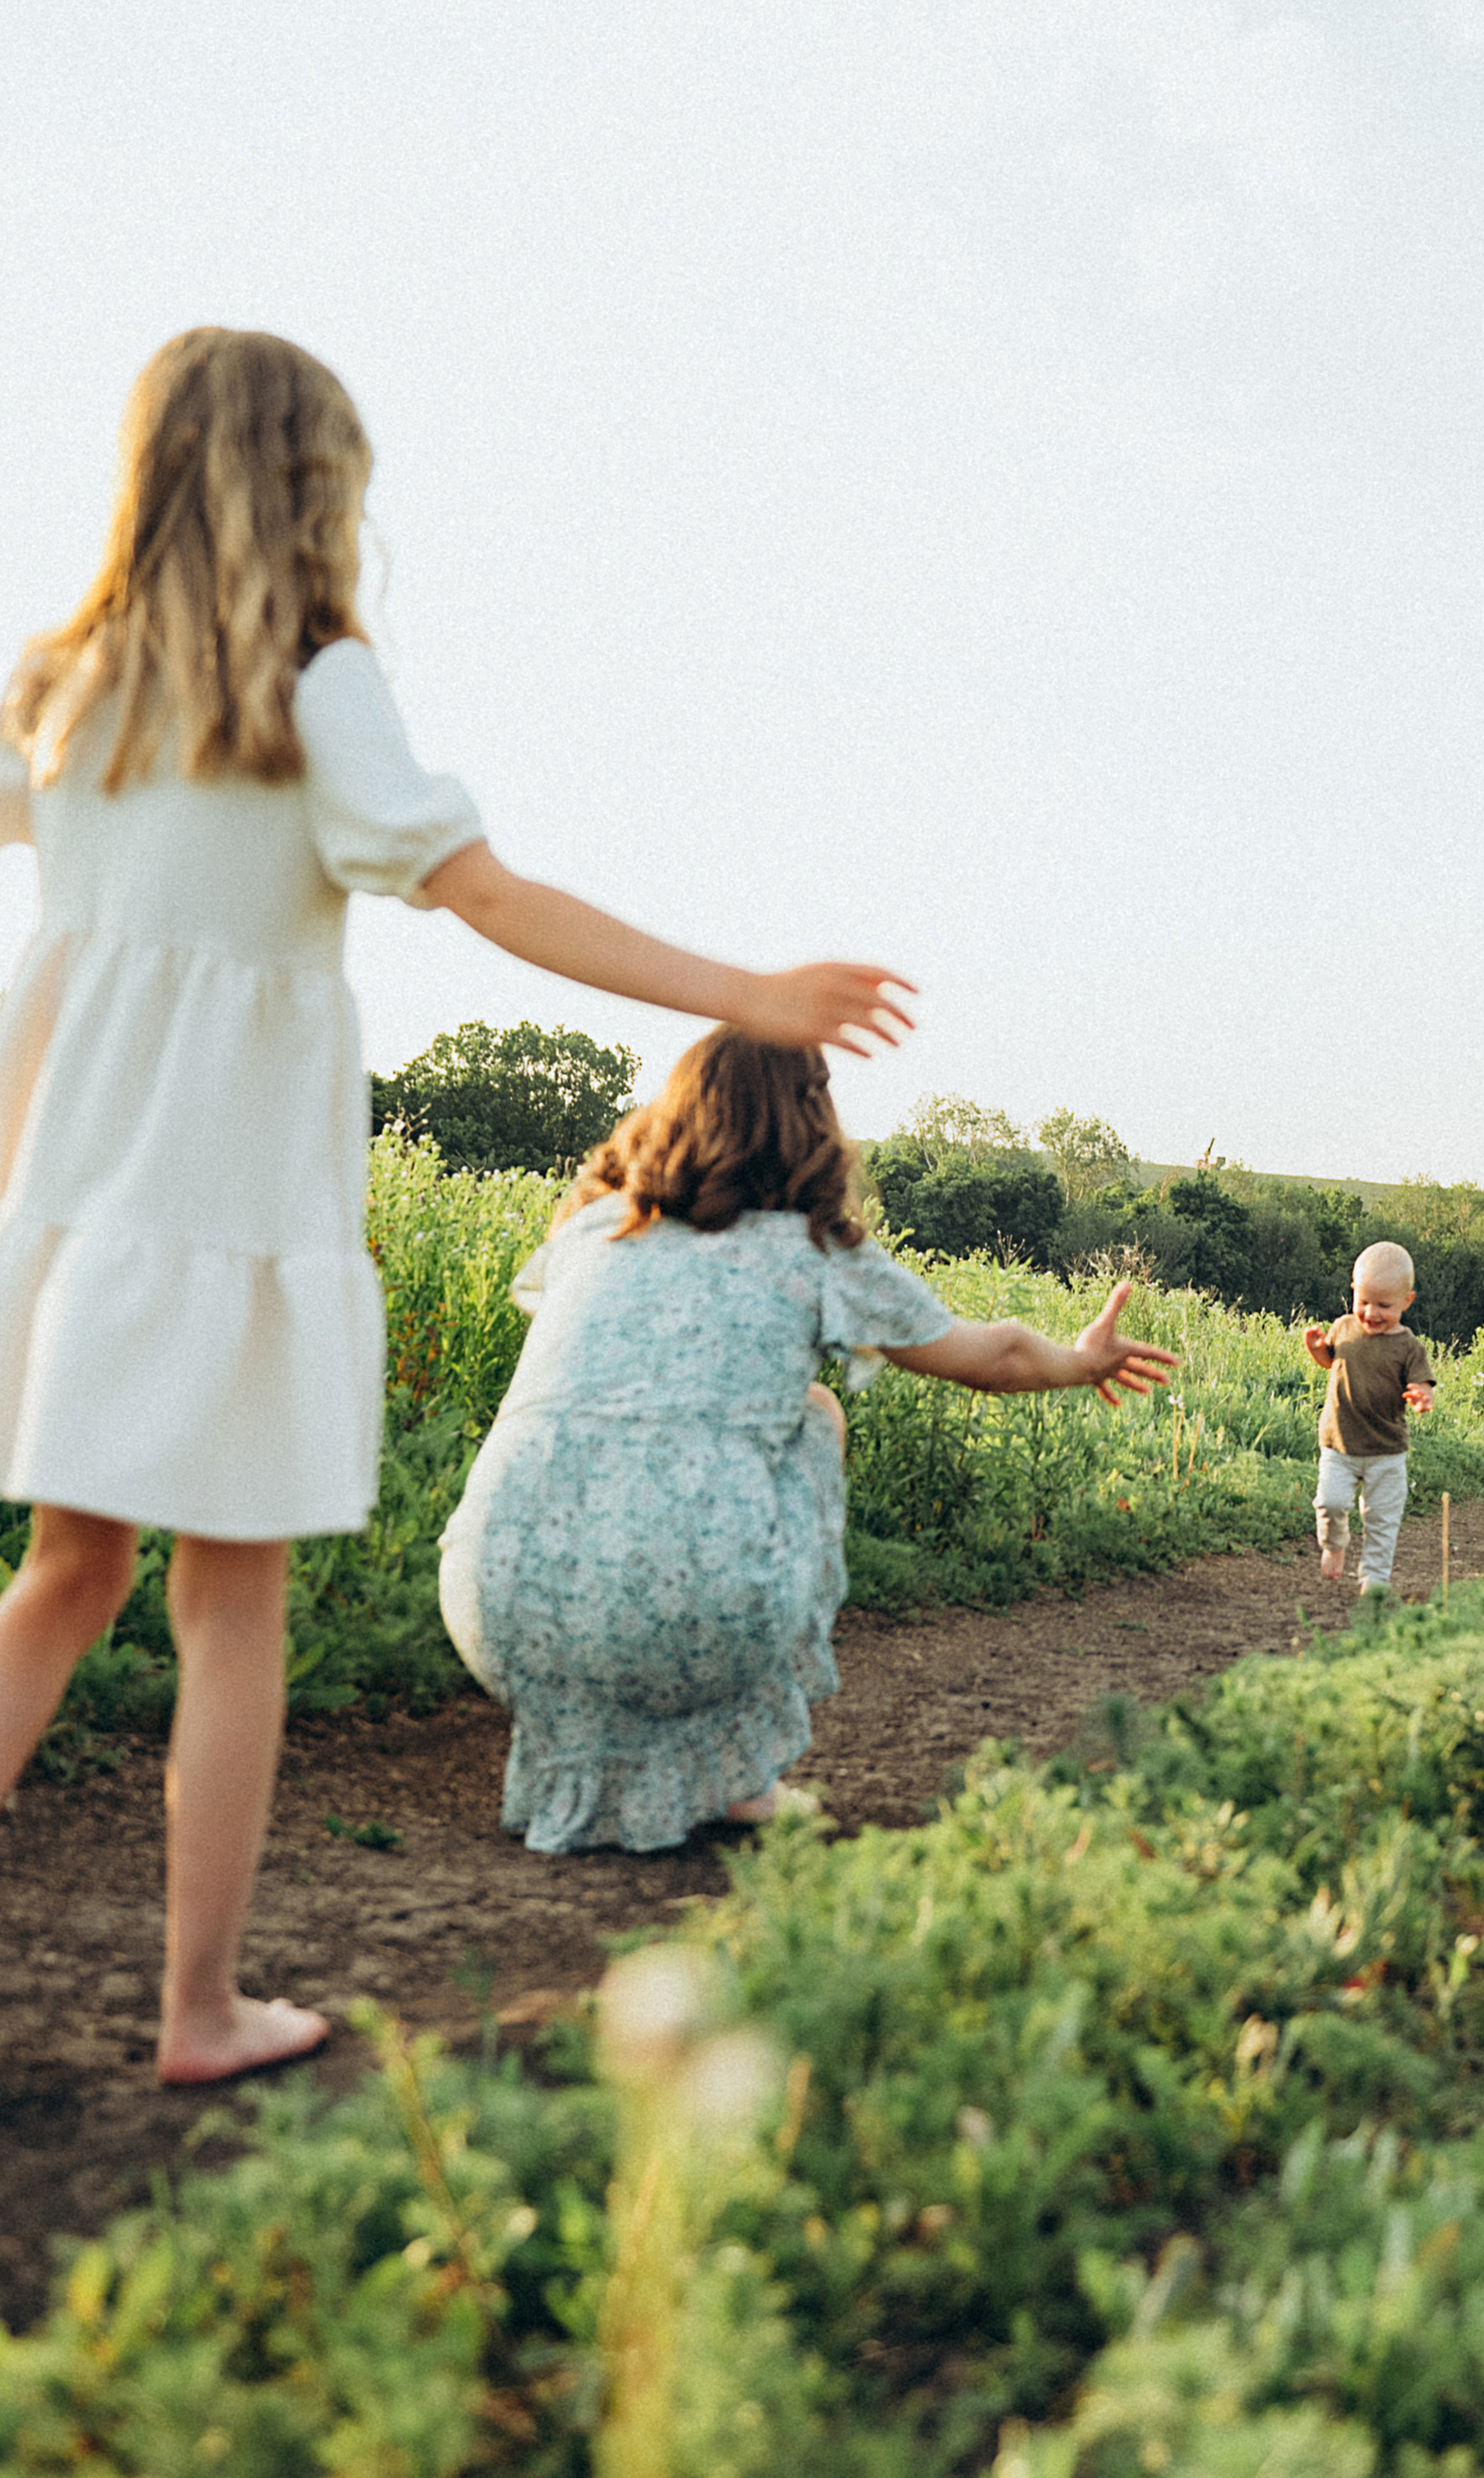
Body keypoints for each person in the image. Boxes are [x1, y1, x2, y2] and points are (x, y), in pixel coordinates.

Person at [0, 325, 913, 2084]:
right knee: (228, 1601)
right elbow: (485, 895)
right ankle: (199, 2010)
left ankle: (201, 1999)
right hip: (221, 1202)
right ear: (311, 491)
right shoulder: (309, 680)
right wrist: (752, 988)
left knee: (63, 1575)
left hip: (74, 1191)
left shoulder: (69, 681)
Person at [438, 1028, 1176, 1854]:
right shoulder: (811, 1249)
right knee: (816, 1414)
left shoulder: (594, 1229)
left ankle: (588, 1761)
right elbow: (991, 1356)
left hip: (490, 1600)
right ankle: (742, 1785)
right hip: (692, 1604)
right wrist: (1080, 1362)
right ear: (812, 1115)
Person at [1302, 1239, 1435, 1591]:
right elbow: (1330, 1362)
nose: (1371, 1313)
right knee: (1328, 1502)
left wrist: (1422, 1397)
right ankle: (1334, 1544)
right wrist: (1317, 1349)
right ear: (1353, 1292)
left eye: (1384, 1305)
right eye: (1363, 1302)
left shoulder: (1409, 1347)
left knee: (1382, 1520)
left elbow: (1423, 1384)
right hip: (1338, 1443)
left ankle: (1374, 1579)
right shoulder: (1343, 1327)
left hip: (1386, 1452)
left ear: (1407, 1301)